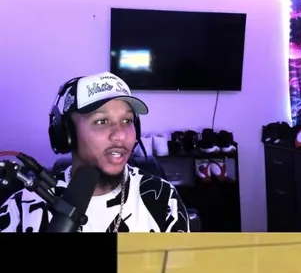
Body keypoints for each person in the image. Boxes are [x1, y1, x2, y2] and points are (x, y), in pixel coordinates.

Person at [1, 72, 190, 233]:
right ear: (67, 134)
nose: (120, 135)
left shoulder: (163, 198)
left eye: (127, 121)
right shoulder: (20, 209)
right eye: (102, 121)